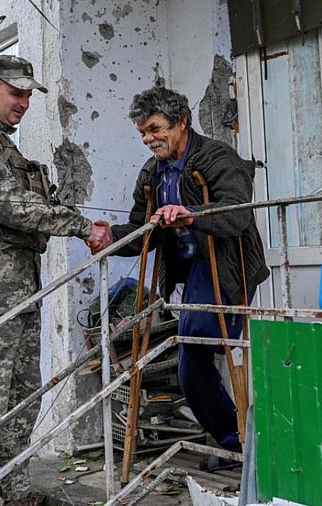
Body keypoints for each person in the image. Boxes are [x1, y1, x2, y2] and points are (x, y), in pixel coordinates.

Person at [0, 55, 109, 505]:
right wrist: (81, 225)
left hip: (20, 292)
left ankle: (16, 490)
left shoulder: (1, 144)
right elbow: (10, 206)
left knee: (21, 399)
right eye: (16, 93)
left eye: (28, 94)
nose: (24, 103)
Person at [90, 87, 270, 468]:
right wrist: (112, 238)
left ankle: (243, 429)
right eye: (142, 133)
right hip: (189, 272)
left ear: (181, 122)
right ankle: (233, 442)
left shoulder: (217, 157)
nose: (148, 139)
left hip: (223, 265)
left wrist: (190, 214)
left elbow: (237, 214)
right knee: (191, 363)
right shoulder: (151, 174)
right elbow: (145, 231)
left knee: (199, 335)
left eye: (154, 129)